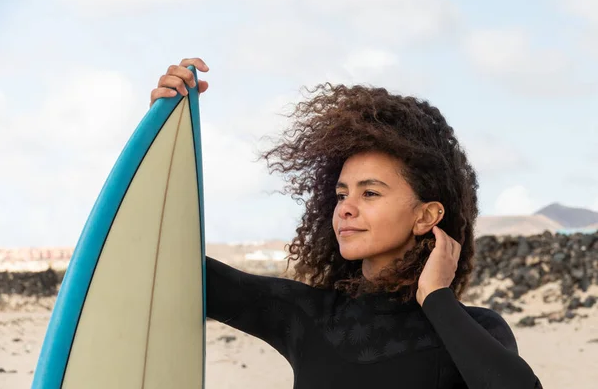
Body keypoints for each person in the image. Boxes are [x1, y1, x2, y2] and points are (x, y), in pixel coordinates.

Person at [150, 58, 543, 389]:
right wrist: (164, 128)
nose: (346, 209)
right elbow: (165, 262)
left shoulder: (475, 328)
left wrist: (437, 297)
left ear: (426, 216)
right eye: (341, 195)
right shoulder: (306, 315)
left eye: (369, 193)